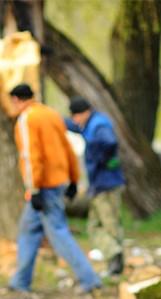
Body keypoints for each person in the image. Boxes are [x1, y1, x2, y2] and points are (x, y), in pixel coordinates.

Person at [7, 83, 101, 295]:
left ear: (15, 99)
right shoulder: (50, 114)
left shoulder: (27, 119)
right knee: (28, 230)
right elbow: (67, 147)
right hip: (57, 182)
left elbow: (31, 156)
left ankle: (89, 279)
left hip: (43, 186)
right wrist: (74, 179)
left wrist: (34, 188)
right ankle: (20, 281)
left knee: (58, 233)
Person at [64, 95, 126, 277]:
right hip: (100, 184)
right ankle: (114, 257)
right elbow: (75, 127)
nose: (75, 120)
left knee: (110, 225)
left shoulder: (98, 125)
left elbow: (110, 143)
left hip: (106, 184)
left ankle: (116, 261)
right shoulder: (90, 124)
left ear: (84, 112)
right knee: (94, 226)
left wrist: (99, 162)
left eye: (76, 116)